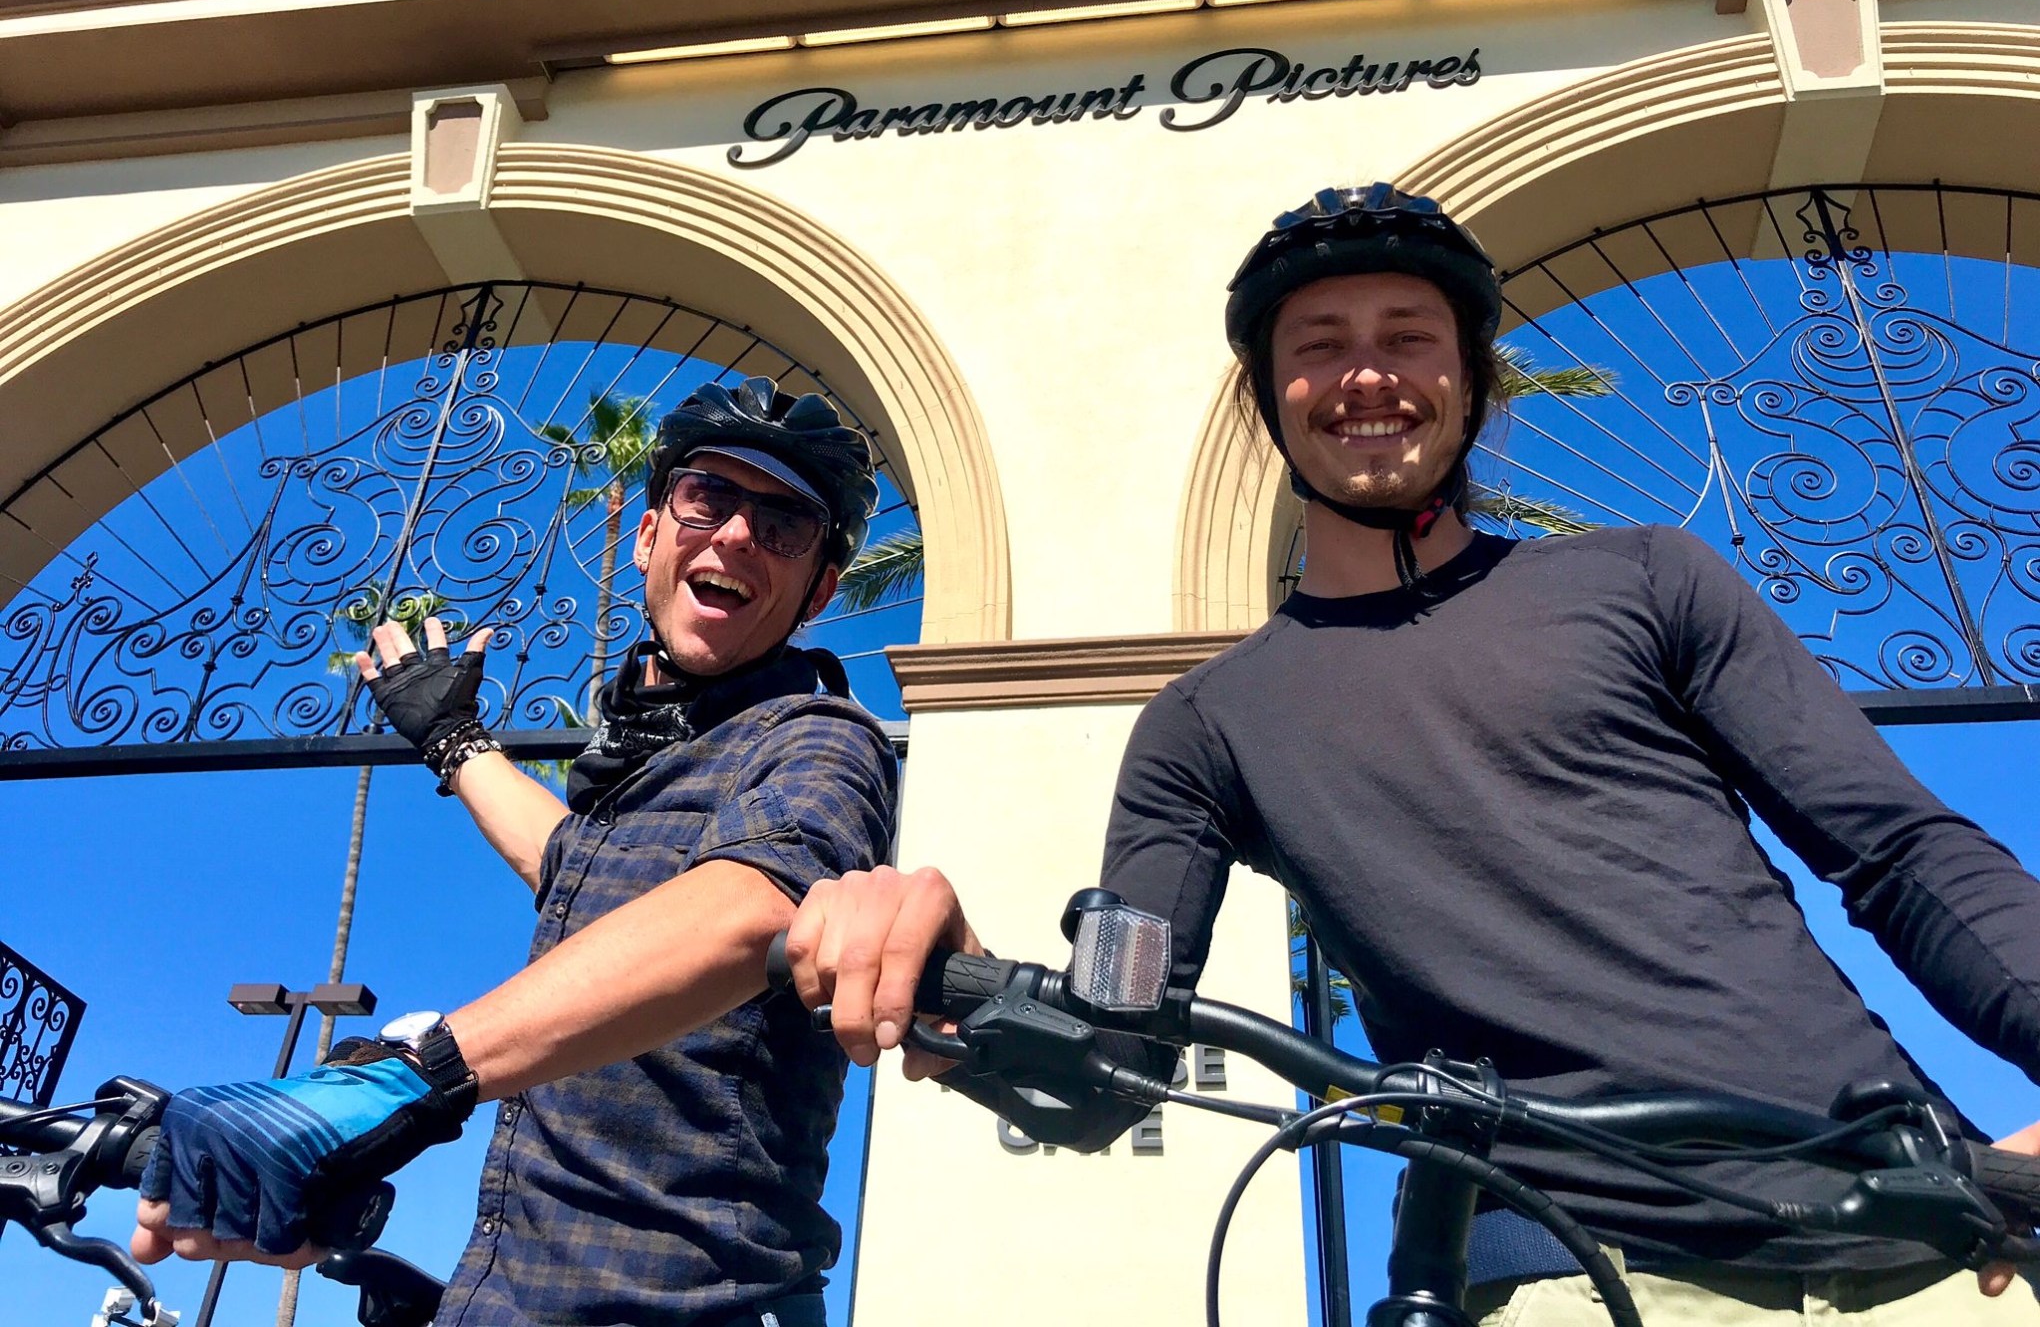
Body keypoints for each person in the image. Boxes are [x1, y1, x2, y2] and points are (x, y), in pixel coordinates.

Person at [786, 186, 2040, 1325]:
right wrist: (952, 985)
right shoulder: (1207, 725)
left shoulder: (1647, 580)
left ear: (1475, 378)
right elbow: (1119, 1050)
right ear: (1264, 399)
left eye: (1408, 338)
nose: (1367, 377)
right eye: (1319, 347)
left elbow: (1897, 850)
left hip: (1911, 1229)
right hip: (1560, 1272)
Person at [131, 375, 898, 1327]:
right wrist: (455, 742)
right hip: (509, 1293)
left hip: (688, 1302)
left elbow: (751, 908)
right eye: (709, 496)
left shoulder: (818, 737)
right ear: (651, 535)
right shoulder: (647, 764)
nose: (739, 533)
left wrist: (409, 1081)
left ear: (819, 588)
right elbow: (572, 865)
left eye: (785, 524)